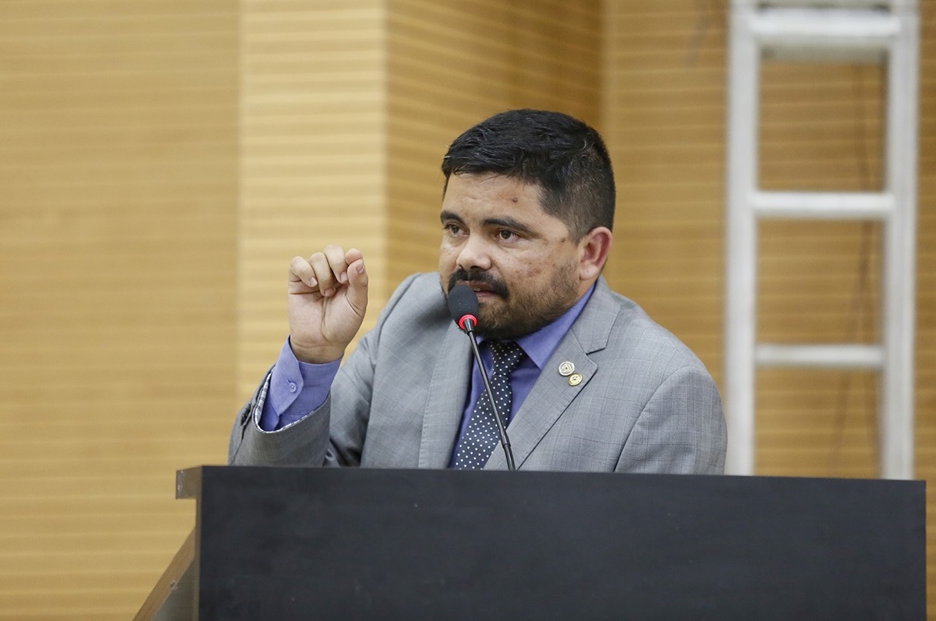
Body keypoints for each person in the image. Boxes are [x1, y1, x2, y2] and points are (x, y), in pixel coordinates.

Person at [229, 109, 726, 473]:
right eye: (455, 228)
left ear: (590, 254)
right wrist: (313, 358)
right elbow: (267, 504)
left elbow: (655, 584)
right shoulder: (414, 316)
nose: (467, 257)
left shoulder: (664, 388)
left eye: (505, 233)